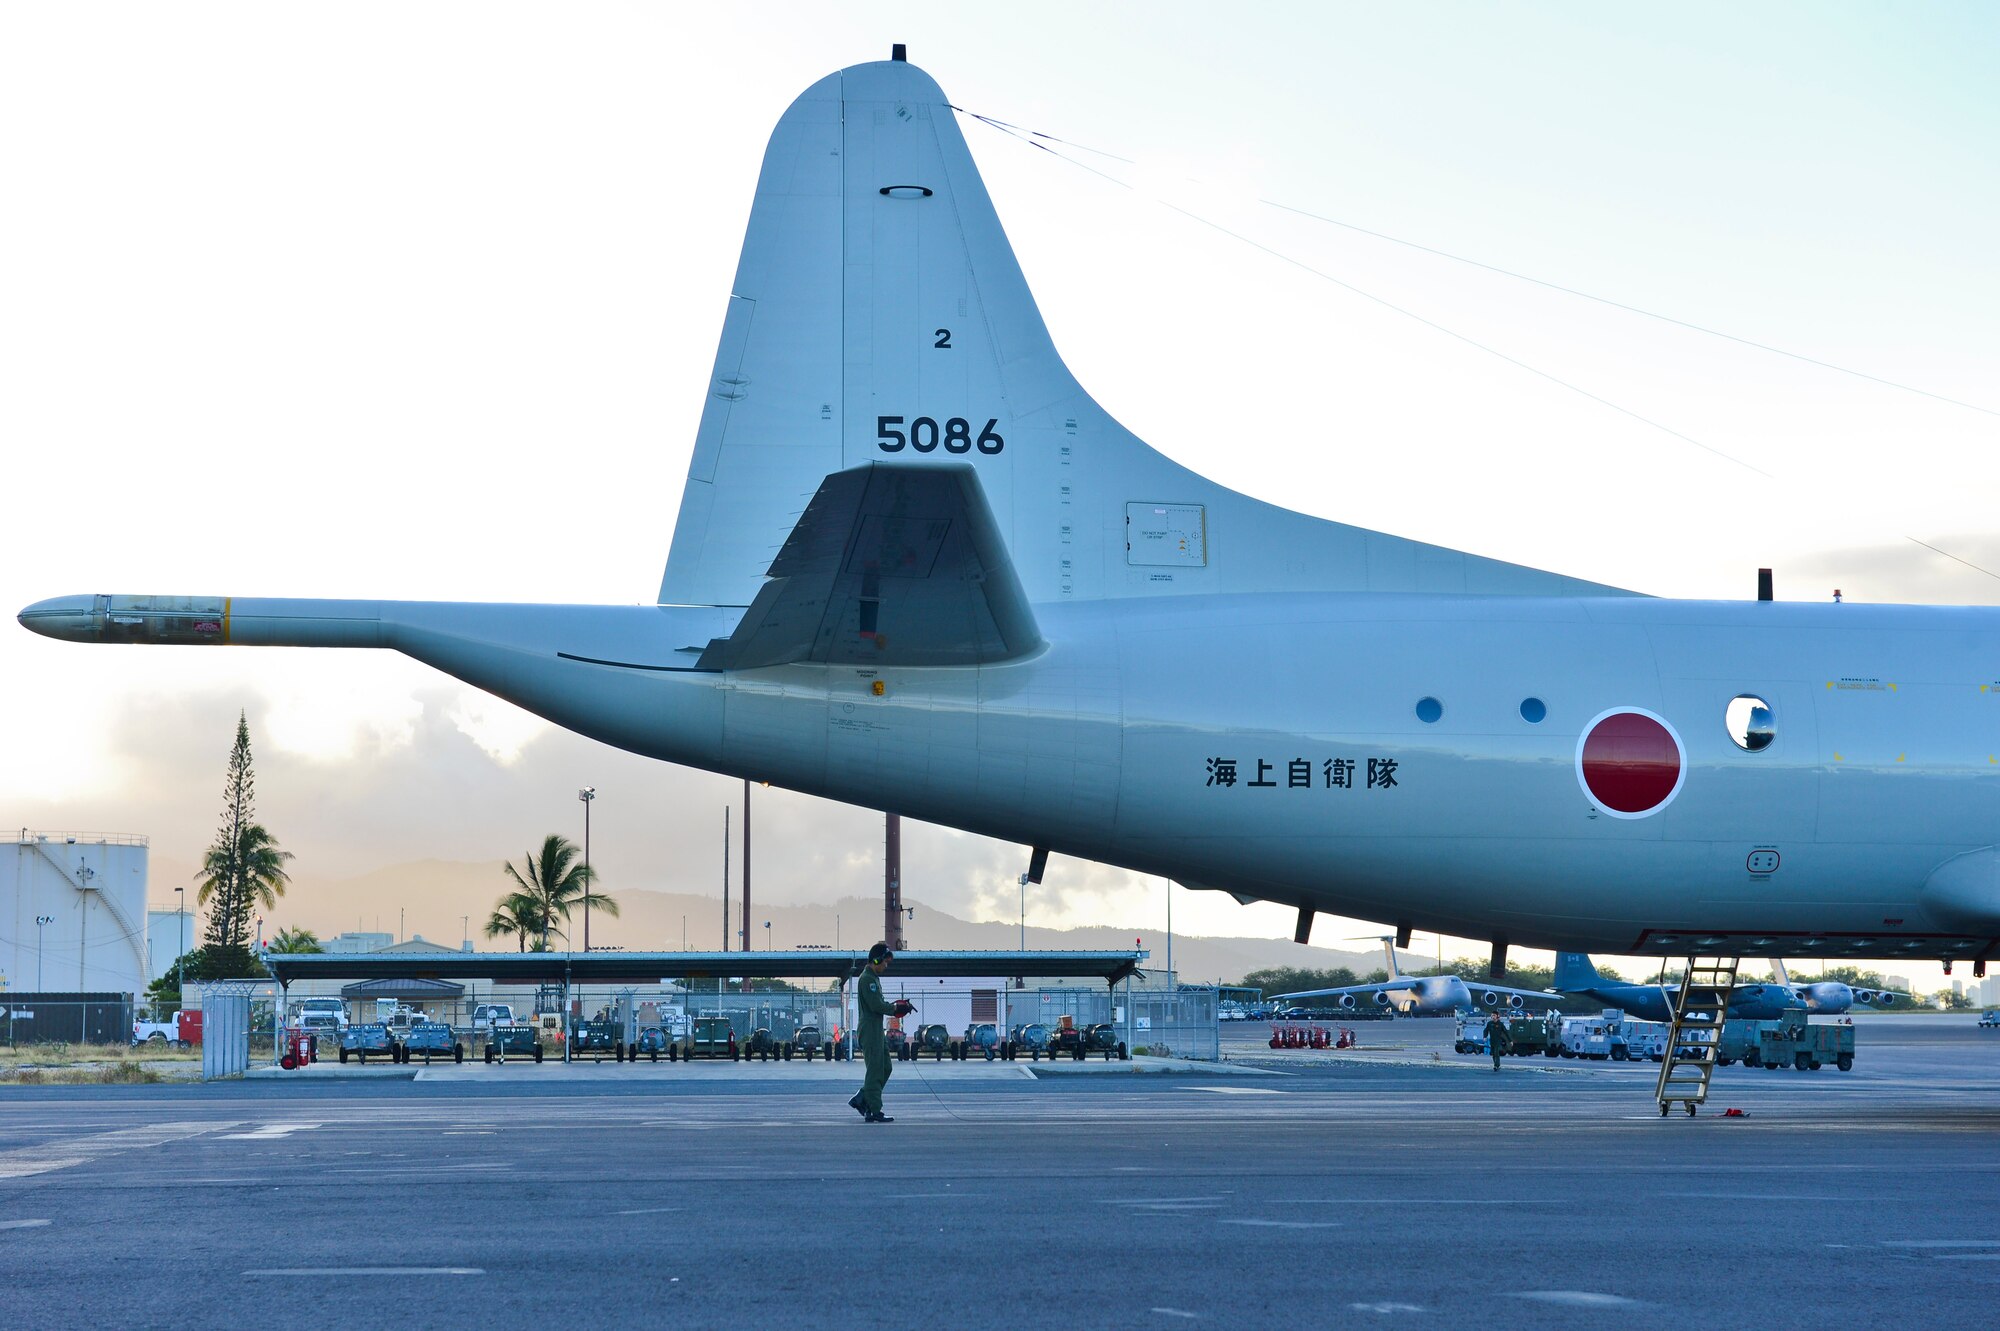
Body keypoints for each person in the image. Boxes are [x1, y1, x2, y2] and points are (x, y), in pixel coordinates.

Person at [850, 942, 914, 1122]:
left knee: (886, 1067)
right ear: (876, 960)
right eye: (884, 962)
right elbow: (876, 1005)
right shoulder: (867, 979)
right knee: (875, 1070)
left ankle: (863, 1098)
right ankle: (874, 1110)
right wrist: (895, 1009)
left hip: (876, 1029)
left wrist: (895, 1007)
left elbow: (878, 1004)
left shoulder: (874, 978)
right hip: (869, 1030)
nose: (886, 966)